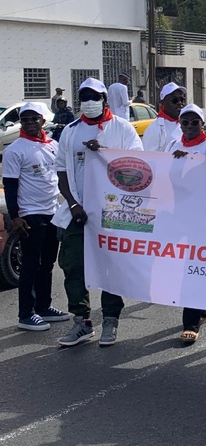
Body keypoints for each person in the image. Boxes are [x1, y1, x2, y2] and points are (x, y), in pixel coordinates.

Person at [53, 78, 143, 347]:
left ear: (104, 98)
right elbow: (61, 172)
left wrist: (104, 151)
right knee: (73, 266)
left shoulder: (122, 129)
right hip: (77, 213)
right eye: (85, 96)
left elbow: (137, 167)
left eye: (95, 96)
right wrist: (72, 204)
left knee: (111, 267)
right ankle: (82, 322)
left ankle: (111, 320)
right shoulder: (70, 131)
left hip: (112, 212)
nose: (89, 101)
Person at [2, 103, 69, 331]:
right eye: (26, 119)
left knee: (47, 263)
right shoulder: (15, 150)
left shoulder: (53, 145)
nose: (30, 122)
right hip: (31, 213)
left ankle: (43, 307)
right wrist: (15, 216)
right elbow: (10, 186)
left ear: (43, 120)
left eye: (34, 118)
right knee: (31, 264)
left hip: (52, 211)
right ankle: (26, 314)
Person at [166, 104, 206, 344]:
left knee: (193, 266)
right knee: (179, 265)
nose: (189, 127)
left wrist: (190, 159)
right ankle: (201, 308)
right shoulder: (173, 145)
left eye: (194, 122)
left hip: (204, 215)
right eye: (184, 122)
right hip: (179, 213)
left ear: (203, 124)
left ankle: (190, 322)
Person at [141, 83, 186, 152]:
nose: (180, 103)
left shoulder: (187, 125)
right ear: (162, 103)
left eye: (182, 100)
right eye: (174, 100)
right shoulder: (155, 129)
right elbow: (149, 159)